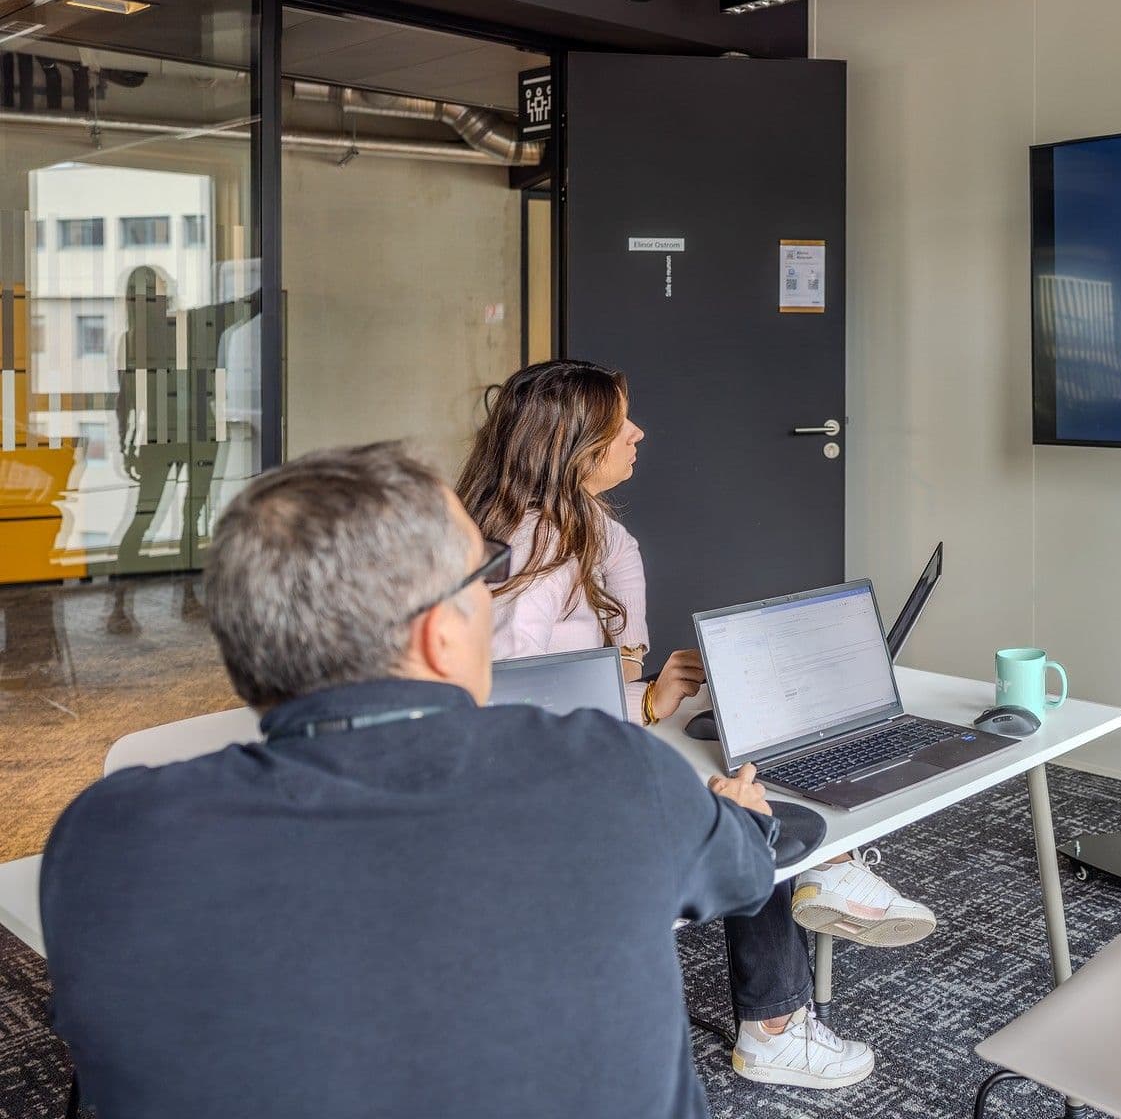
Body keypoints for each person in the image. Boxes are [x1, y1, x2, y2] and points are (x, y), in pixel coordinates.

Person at [40, 443, 780, 1119]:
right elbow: (747, 875)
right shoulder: (614, 768)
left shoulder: (110, 835)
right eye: (485, 575)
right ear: (439, 631)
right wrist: (737, 813)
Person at [455, 359, 933, 1090]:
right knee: (753, 814)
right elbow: (508, 710)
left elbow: (608, 657)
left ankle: (818, 879)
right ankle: (780, 1009)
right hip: (538, 796)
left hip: (581, 753)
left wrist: (644, 693)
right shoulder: (536, 552)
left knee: (743, 777)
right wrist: (636, 704)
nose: (639, 432)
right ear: (574, 445)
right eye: (621, 423)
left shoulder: (582, 529)